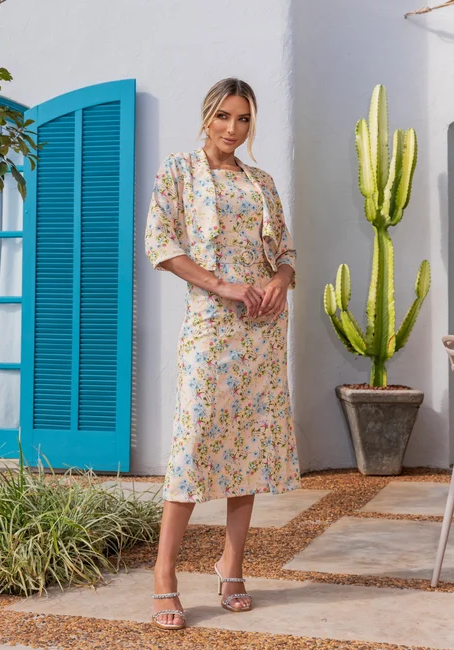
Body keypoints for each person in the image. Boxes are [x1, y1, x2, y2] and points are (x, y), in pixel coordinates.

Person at [145, 77, 300, 631]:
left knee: (250, 446)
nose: (233, 129)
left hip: (262, 330)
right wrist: (222, 285)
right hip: (212, 325)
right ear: (207, 116)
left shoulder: (261, 181)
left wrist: (280, 280)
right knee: (194, 443)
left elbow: (285, 251)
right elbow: (161, 243)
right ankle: (164, 572)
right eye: (224, 116)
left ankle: (232, 565)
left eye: (243, 119)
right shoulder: (179, 171)